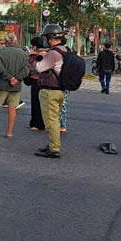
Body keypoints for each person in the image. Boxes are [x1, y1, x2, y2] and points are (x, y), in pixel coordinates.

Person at [34, 24, 68, 158]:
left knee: (51, 121)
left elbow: (39, 68)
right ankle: (52, 144)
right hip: (61, 90)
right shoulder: (64, 50)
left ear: (50, 38)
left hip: (51, 91)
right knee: (55, 119)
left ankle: (54, 149)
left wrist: (34, 57)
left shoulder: (53, 53)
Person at [26, 36, 46, 131]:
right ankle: (40, 122)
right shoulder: (48, 53)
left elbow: (31, 68)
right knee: (43, 102)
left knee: (36, 102)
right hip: (46, 81)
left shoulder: (34, 56)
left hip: (36, 80)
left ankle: (36, 123)